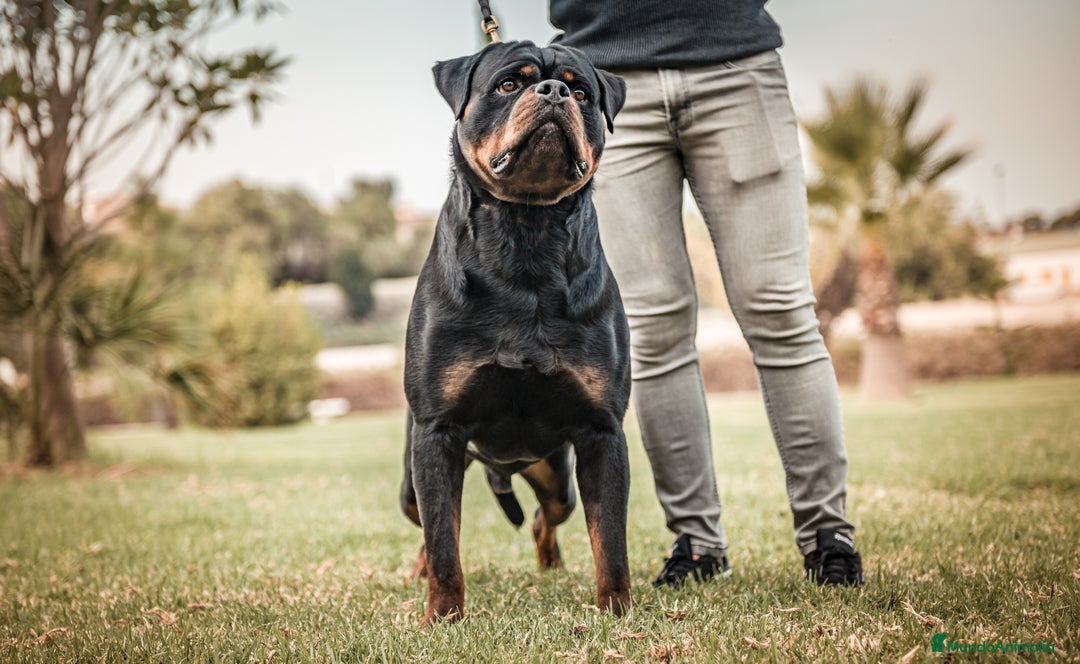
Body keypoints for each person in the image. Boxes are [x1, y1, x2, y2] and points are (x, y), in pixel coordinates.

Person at [548, 0, 866, 586]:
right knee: (652, 328)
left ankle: (830, 536)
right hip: (604, 81)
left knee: (781, 312)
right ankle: (695, 542)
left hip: (736, 68)